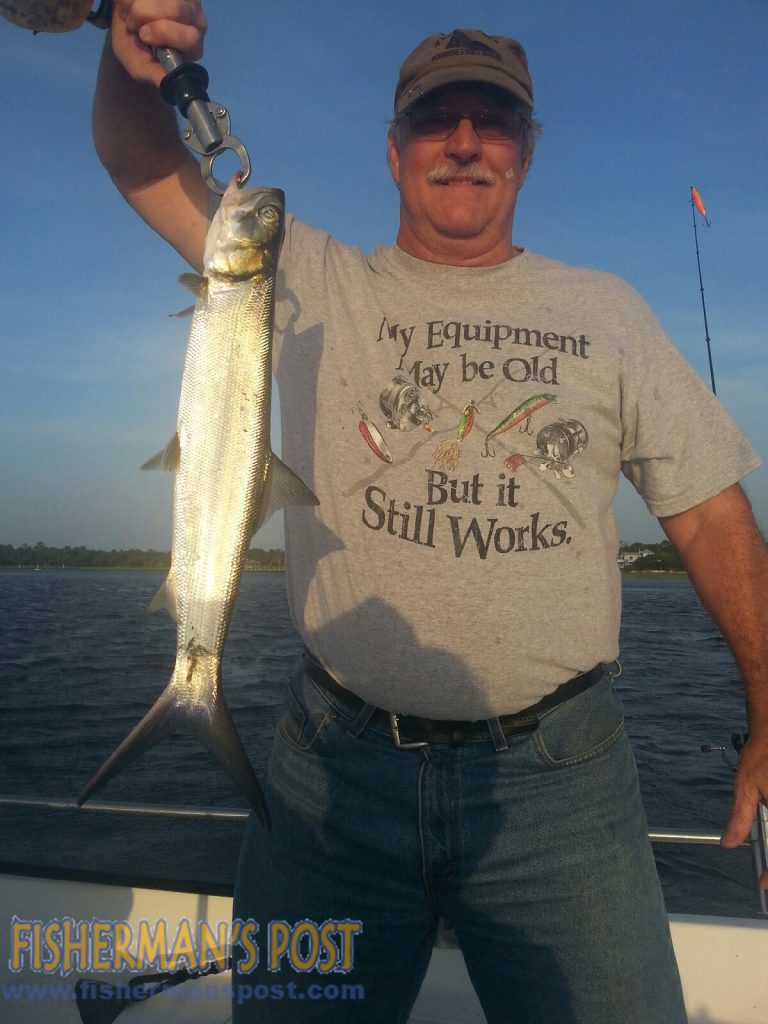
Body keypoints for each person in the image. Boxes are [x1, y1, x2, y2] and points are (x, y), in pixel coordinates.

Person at [96, 4, 768, 1022]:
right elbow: (140, 157)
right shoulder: (303, 276)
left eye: (491, 120)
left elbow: (715, 517)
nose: (462, 142)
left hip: (563, 793)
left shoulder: (609, 311)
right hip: (330, 782)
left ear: (527, 152)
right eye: (433, 119)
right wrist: (124, 61)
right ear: (394, 148)